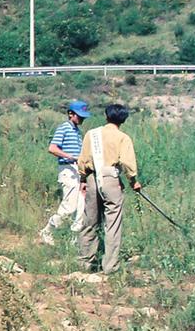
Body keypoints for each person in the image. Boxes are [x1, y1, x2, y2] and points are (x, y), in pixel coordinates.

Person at [77, 103, 140, 274]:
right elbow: (127, 163)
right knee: (112, 224)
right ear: (123, 120)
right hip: (111, 178)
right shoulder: (123, 138)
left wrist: (83, 178)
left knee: (89, 221)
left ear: (106, 116)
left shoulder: (92, 134)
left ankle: (84, 262)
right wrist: (133, 181)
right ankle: (110, 266)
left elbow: (82, 160)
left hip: (91, 178)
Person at [39, 100, 89, 245]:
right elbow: (52, 148)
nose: (82, 119)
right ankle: (47, 230)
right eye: (79, 116)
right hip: (68, 169)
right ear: (70, 114)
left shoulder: (77, 132)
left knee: (81, 207)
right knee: (69, 207)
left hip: (78, 171)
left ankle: (74, 240)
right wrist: (70, 157)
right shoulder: (64, 128)